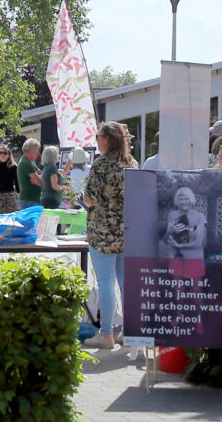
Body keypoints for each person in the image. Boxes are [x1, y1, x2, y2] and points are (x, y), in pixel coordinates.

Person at [82, 122, 138, 349]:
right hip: (127, 230)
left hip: (103, 231)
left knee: (106, 282)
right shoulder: (132, 164)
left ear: (108, 139)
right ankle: (131, 331)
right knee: (126, 284)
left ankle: (106, 334)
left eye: (98, 136)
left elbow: (89, 198)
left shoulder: (101, 165)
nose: (96, 140)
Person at [163, 186, 207, 278]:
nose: (183, 202)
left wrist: (180, 246)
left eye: (186, 199)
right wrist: (171, 231)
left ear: (191, 199)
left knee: (195, 288)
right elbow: (165, 239)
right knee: (178, 287)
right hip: (176, 256)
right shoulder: (172, 215)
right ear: (177, 201)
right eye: (181, 199)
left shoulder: (199, 216)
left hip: (193, 257)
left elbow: (199, 243)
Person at [40, 145, 71, 209]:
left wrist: (71, 158)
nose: (59, 156)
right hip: (52, 200)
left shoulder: (47, 168)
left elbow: (65, 171)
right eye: (57, 154)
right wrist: (64, 188)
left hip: (46, 199)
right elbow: (55, 186)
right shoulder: (52, 168)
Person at [16, 138, 43, 208]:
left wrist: (38, 177)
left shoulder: (30, 162)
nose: (38, 153)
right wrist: (39, 178)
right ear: (29, 150)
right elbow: (39, 182)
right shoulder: (26, 163)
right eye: (36, 151)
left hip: (31, 200)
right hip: (28, 201)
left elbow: (41, 174)